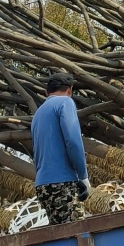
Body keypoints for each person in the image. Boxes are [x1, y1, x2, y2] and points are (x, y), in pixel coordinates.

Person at [30, 73, 91, 224]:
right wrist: (83, 175)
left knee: (60, 237)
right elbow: (73, 141)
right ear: (69, 90)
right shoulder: (65, 102)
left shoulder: (38, 113)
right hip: (63, 182)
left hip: (42, 186)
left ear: (47, 92)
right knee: (76, 234)